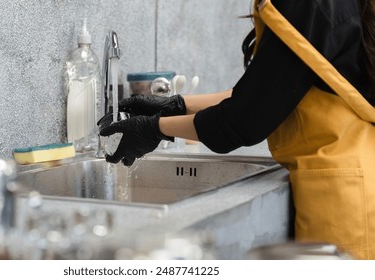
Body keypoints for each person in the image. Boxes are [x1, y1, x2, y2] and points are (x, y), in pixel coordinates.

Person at [99, 0, 375, 259]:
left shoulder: (307, 3)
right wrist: (177, 105)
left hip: (344, 199)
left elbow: (244, 122)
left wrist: (154, 128)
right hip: (354, 179)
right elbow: (267, 94)